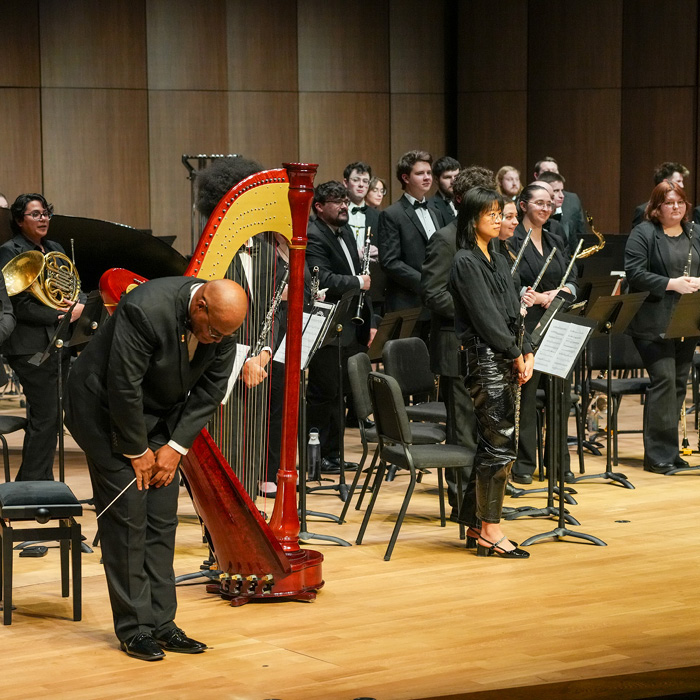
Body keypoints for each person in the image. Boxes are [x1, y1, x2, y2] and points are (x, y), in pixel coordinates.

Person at [64, 277, 247, 660]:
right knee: (129, 519)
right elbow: (123, 384)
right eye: (213, 332)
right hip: (104, 412)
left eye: (225, 335)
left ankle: (163, 624)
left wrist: (175, 448)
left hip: (159, 417)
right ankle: (135, 628)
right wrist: (137, 451)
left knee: (162, 519)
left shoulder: (223, 327)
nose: (218, 340)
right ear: (200, 307)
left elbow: (211, 391)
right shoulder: (144, 309)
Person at [449, 187, 533, 558]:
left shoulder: (499, 257)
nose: (500, 220)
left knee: (492, 442)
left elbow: (514, 312)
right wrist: (516, 353)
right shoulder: (465, 261)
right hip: (484, 359)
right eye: (492, 214)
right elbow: (485, 318)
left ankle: (474, 522)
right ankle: (491, 530)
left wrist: (526, 348)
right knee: (500, 443)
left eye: (501, 213)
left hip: (506, 354)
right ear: (473, 218)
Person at [421, 165, 495, 520]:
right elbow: (434, 294)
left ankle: (483, 502)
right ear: (466, 201)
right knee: (463, 434)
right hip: (456, 348)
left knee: (485, 430)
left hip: (486, 348)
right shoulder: (445, 238)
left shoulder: (488, 240)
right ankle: (465, 509)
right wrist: (478, 312)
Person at [0, 193, 84, 481]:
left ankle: (39, 481)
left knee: (50, 418)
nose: (43, 218)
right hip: (29, 347)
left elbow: (74, 284)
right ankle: (31, 484)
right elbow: (17, 306)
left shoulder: (55, 248)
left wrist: (80, 305)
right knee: (47, 416)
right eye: (35, 214)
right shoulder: (9, 251)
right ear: (19, 220)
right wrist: (58, 315)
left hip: (58, 341)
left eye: (46, 212)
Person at [625, 180, 700, 473]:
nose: (676, 207)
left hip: (687, 319)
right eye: (669, 203)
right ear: (656, 207)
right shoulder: (643, 233)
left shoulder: (694, 233)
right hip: (652, 323)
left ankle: (671, 452)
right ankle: (656, 456)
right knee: (664, 380)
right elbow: (635, 273)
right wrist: (671, 284)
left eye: (680, 202)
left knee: (679, 382)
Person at [510, 184, 577, 484]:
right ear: (523, 205)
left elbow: (573, 280)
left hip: (556, 322)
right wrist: (533, 296)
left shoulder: (555, 239)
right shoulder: (511, 239)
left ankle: (558, 464)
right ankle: (524, 465)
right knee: (525, 394)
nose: (546, 208)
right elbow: (508, 280)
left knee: (559, 395)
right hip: (527, 327)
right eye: (539, 203)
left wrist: (559, 293)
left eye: (550, 203)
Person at [306, 181, 373, 472]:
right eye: (337, 201)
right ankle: (316, 457)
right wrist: (359, 282)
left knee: (340, 393)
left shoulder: (343, 231)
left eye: (345, 200)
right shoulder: (314, 234)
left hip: (348, 325)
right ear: (319, 207)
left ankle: (333, 454)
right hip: (327, 325)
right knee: (324, 394)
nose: (344, 205)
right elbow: (323, 280)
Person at [378, 150, 440, 340]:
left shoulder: (434, 210)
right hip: (408, 304)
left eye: (429, 173)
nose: (427, 177)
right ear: (405, 178)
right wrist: (425, 282)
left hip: (435, 304)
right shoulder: (391, 214)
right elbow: (390, 262)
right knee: (406, 365)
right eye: (420, 173)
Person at [533, 157, 588, 237]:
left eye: (554, 171)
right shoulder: (531, 201)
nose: (561, 196)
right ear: (537, 176)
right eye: (546, 172)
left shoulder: (572, 199)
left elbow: (580, 232)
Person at [631, 162, 696, 227]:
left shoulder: (681, 208)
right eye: (678, 181)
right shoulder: (643, 210)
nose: (682, 186)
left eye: (680, 202)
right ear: (666, 182)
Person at [343, 162, 379, 255]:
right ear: (346, 183)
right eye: (356, 180)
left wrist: (379, 251)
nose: (361, 185)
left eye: (365, 181)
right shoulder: (337, 213)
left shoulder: (378, 216)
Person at [428, 156, 460, 225]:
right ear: (436, 179)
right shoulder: (430, 206)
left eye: (456, 176)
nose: (453, 181)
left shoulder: (467, 200)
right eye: (447, 177)